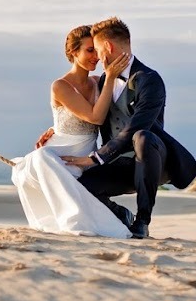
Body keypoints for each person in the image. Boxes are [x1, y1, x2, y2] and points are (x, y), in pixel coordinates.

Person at [56, 16, 196, 239]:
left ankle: (143, 220)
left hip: (153, 162)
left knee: (142, 136)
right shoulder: (104, 81)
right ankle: (122, 214)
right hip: (120, 165)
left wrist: (96, 158)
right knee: (80, 186)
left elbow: (135, 127)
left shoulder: (150, 80)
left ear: (108, 47)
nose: (96, 56)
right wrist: (55, 129)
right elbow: (84, 114)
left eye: (97, 50)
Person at [11, 25, 134, 238]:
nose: (95, 56)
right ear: (73, 52)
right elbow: (94, 116)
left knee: (80, 179)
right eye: (89, 50)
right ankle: (82, 219)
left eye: (96, 50)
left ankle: (117, 215)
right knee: (42, 158)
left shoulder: (98, 82)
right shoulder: (60, 85)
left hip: (86, 153)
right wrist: (111, 77)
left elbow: (112, 115)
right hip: (59, 150)